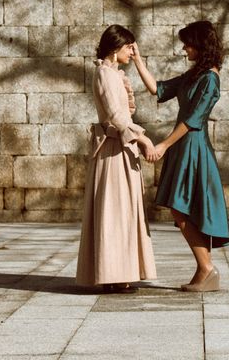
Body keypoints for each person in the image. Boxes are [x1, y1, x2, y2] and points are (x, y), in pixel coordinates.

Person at [133, 20, 229, 292]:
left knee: (182, 206)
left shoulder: (210, 79)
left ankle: (206, 268)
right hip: (183, 146)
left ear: (201, 44)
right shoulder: (194, 75)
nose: (184, 48)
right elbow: (158, 89)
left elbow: (193, 119)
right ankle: (205, 269)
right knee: (180, 207)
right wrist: (139, 61)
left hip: (193, 146)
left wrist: (163, 145)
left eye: (188, 43)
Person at [76, 25, 157, 293]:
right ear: (115, 47)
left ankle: (120, 272)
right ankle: (112, 273)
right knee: (114, 213)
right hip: (113, 151)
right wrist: (143, 139)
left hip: (121, 148)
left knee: (121, 212)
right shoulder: (105, 74)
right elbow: (116, 116)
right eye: (129, 47)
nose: (132, 52)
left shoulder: (112, 74)